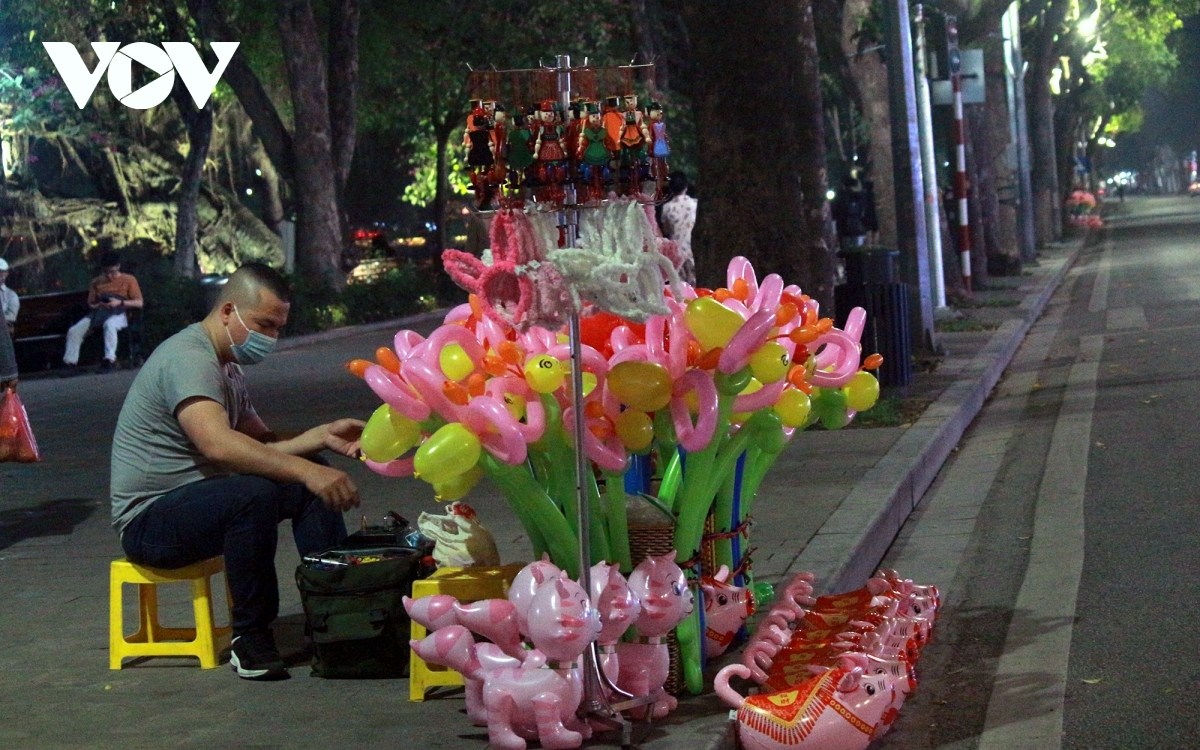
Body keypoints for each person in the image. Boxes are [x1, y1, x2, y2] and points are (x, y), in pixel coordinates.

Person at [111, 263, 364, 681]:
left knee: (306, 481)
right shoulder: (188, 358)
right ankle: (250, 638)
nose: (272, 338)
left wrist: (321, 437)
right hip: (149, 523)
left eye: (279, 328)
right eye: (265, 325)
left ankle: (333, 617)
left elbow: (259, 446)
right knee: (255, 494)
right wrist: (302, 470)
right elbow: (220, 445)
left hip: (205, 502)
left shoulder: (227, 365)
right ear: (228, 310)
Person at [62, 249, 143, 374]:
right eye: (106, 272)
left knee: (109, 324)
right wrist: (99, 304)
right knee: (74, 331)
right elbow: (91, 303)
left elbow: (139, 302)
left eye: (112, 272)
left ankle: (109, 360)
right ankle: (70, 363)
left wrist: (119, 303)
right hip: (99, 313)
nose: (109, 276)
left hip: (120, 312)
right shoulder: (97, 282)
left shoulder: (129, 280)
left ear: (118, 266)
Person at [659, 171, 697, 285]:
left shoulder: (667, 208)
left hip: (677, 252)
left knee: (681, 287)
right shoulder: (695, 204)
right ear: (686, 186)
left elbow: (666, 230)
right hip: (693, 249)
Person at [831, 175, 869, 249]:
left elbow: (835, 214)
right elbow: (864, 213)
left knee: (846, 251)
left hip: (844, 229)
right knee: (858, 250)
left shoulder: (840, 197)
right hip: (858, 228)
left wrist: (834, 231)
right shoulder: (861, 196)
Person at [0, 257, 18, 336]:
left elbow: (12, 316)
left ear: (6, 274)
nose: (0, 275)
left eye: (2, 272)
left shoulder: (11, 295)